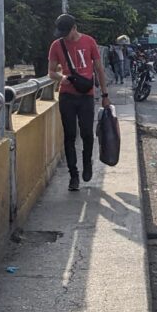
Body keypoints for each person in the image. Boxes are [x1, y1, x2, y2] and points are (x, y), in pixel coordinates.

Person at [48, 14, 110, 192]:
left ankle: (87, 163)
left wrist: (105, 94)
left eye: (67, 32)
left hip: (86, 96)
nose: (65, 36)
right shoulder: (57, 45)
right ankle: (73, 175)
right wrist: (62, 77)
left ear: (74, 28)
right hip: (67, 96)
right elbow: (51, 72)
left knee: (87, 134)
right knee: (69, 136)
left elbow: (99, 69)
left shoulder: (89, 42)